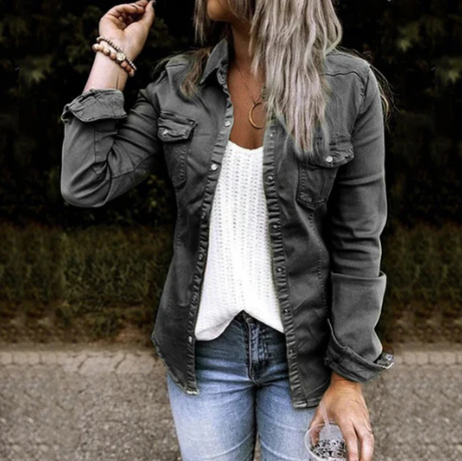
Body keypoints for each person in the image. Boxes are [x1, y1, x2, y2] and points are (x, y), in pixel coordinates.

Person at [60, 0, 396, 460]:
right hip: (206, 356)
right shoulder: (180, 84)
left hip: (306, 357)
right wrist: (112, 54)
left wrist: (348, 379)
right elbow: (85, 182)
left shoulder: (348, 85)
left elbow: (358, 242)